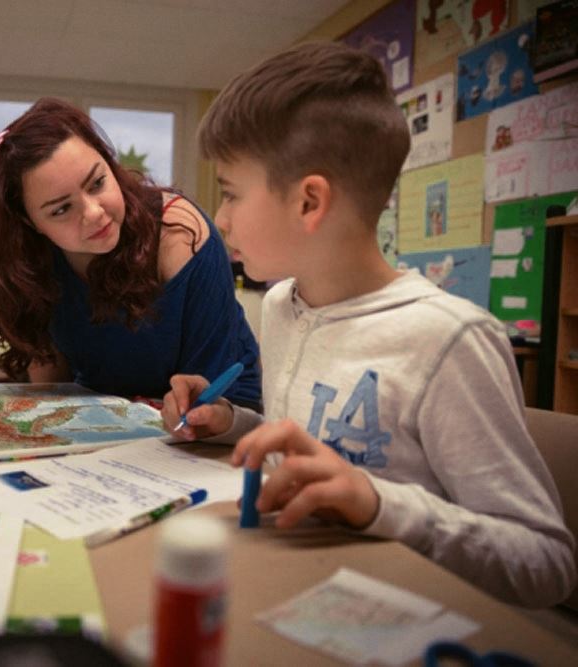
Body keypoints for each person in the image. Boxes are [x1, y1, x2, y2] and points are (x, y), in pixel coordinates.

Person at [161, 42, 575, 608]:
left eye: (230, 193)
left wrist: (379, 504)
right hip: (290, 586)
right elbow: (312, 430)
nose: (222, 218)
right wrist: (230, 422)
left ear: (310, 202)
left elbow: (546, 564)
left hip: (398, 619)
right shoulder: (284, 305)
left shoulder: (447, 340)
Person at [0, 97, 261, 408]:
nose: (93, 213)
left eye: (97, 183)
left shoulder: (179, 233)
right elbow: (54, 395)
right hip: (108, 415)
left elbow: (211, 393)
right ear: (29, 222)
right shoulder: (29, 265)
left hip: (219, 410)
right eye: (62, 208)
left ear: (110, 165)